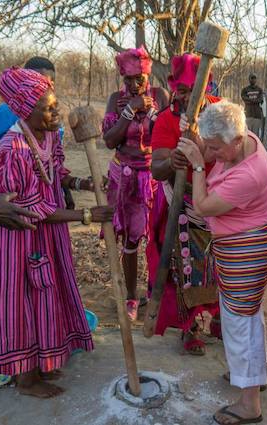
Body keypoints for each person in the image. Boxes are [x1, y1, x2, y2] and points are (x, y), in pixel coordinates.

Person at [0, 67, 113, 398]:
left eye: (56, 105)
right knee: (18, 296)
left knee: (44, 291)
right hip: (12, 233)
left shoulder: (46, 135)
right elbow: (29, 209)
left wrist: (83, 183)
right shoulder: (13, 150)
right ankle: (25, 379)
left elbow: (57, 173)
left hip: (44, 232)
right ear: (26, 111)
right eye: (49, 108)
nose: (58, 112)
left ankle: (39, 364)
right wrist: (85, 214)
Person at [177, 100, 267, 425]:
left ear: (236, 139)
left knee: (239, 324)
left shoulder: (250, 172)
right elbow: (212, 151)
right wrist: (198, 141)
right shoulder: (242, 139)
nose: (213, 155)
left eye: (217, 149)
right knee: (249, 317)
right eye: (211, 147)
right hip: (246, 245)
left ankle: (250, 405)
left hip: (247, 250)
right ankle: (254, 377)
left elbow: (204, 206)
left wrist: (195, 166)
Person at [149, 52, 221, 355]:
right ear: (173, 89)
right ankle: (190, 327)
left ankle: (219, 319)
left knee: (218, 266)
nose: (188, 96)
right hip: (181, 204)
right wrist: (173, 162)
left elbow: (235, 149)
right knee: (185, 268)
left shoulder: (220, 113)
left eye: (195, 90)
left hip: (217, 202)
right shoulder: (166, 120)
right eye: (182, 91)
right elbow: (156, 167)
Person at [103, 45, 169, 321]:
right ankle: (131, 297)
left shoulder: (160, 96)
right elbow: (109, 141)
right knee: (130, 239)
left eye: (138, 79)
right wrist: (129, 110)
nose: (133, 84)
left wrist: (151, 113)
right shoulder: (116, 100)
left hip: (153, 175)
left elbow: (166, 135)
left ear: (147, 75)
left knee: (157, 237)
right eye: (127, 79)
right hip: (124, 176)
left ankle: (156, 293)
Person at [0, 56, 76, 209]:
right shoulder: (9, 112)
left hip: (47, 188)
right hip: (15, 191)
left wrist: (66, 191)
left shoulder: (51, 113)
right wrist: (2, 159)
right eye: (36, 79)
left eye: (49, 81)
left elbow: (53, 161)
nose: (42, 84)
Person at [241, 74, 264, 138]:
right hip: (248, 114)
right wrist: (255, 100)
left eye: (254, 78)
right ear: (249, 79)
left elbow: (260, 99)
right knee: (247, 134)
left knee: (255, 135)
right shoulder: (245, 90)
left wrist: (250, 100)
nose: (253, 80)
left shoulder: (260, 90)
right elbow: (244, 99)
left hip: (257, 115)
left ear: (256, 79)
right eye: (252, 78)